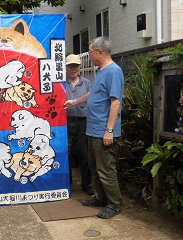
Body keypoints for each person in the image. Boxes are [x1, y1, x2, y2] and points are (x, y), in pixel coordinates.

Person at [64, 36, 124, 219]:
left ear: (100, 52)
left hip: (102, 131)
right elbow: (93, 94)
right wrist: (74, 101)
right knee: (94, 166)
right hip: (92, 129)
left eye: (90, 51)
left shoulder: (114, 72)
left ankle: (114, 204)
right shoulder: (101, 71)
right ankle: (101, 197)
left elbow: (115, 103)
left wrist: (109, 130)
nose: (89, 55)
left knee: (106, 169)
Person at [65, 54, 93, 195]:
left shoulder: (87, 83)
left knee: (84, 154)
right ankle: (67, 183)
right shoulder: (61, 83)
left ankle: (86, 184)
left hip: (83, 122)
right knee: (67, 154)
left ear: (80, 67)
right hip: (65, 122)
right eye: (70, 66)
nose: (73, 69)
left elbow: (93, 101)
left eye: (76, 66)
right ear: (66, 67)